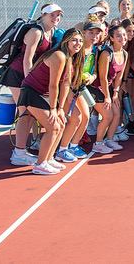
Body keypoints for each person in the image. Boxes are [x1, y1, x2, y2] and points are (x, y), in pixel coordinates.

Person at [0, 3, 62, 166]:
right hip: (18, 75)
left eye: (58, 15)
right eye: (52, 15)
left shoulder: (51, 32)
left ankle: (23, 150)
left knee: (28, 113)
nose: (55, 18)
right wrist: (29, 83)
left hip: (28, 78)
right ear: (43, 15)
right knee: (25, 113)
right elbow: (27, 60)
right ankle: (19, 153)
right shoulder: (35, 32)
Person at [17, 28, 84, 175]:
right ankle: (40, 165)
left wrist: (60, 109)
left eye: (80, 41)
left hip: (42, 94)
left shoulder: (70, 60)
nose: (77, 43)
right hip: (32, 92)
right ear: (66, 41)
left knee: (60, 124)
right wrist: (53, 108)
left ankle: (48, 159)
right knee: (53, 126)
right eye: (74, 40)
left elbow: (65, 85)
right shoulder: (59, 56)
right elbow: (53, 85)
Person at [55, 17, 102, 162]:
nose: (94, 36)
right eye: (91, 33)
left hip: (78, 87)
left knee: (85, 118)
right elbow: (64, 76)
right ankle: (62, 150)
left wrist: (91, 78)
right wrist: (68, 94)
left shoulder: (94, 49)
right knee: (75, 118)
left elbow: (93, 72)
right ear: (83, 33)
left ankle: (73, 146)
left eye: (97, 33)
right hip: (66, 88)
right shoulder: (74, 49)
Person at [91, 25, 128, 153]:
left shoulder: (124, 53)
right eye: (118, 35)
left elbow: (119, 76)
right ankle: (98, 143)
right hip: (96, 87)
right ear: (111, 38)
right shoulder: (106, 53)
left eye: (124, 35)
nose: (122, 38)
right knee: (108, 115)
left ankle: (110, 140)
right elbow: (102, 78)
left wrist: (115, 93)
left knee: (117, 114)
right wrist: (107, 96)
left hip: (110, 87)